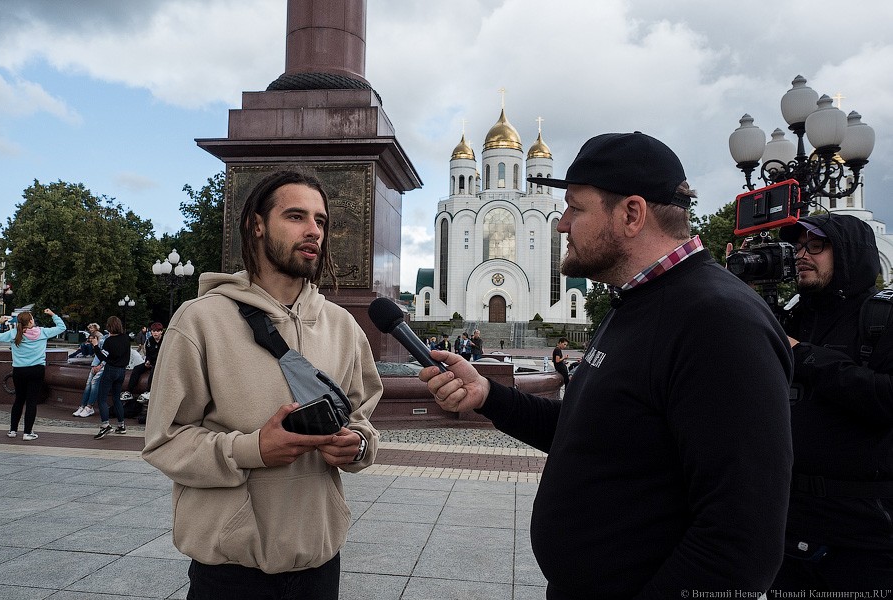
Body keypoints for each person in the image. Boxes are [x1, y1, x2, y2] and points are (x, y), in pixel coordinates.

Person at [418, 132, 794, 598]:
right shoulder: (636, 301)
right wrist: (489, 395)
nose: (561, 224)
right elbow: (592, 431)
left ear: (631, 214)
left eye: (575, 208)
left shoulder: (718, 320)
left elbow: (741, 543)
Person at [142, 170, 382, 600]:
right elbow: (164, 441)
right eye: (296, 216)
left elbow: (361, 419)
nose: (313, 231)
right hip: (231, 571)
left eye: (320, 220)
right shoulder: (200, 321)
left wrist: (358, 446)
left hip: (318, 565)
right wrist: (253, 449)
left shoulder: (343, 326)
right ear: (257, 225)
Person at [766, 214, 893, 590]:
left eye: (816, 245)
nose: (802, 255)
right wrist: (739, 291)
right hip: (788, 530)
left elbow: (887, 398)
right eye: (798, 246)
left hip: (863, 541)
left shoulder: (882, 318)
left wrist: (806, 356)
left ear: (850, 253)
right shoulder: (791, 318)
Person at [0, 309, 66, 441]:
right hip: (36, 370)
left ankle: (12, 430)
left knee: (19, 400)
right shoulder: (42, 332)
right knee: (31, 402)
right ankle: (27, 433)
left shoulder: (14, 333)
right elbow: (62, 327)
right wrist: (53, 315)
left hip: (19, 371)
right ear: (31, 321)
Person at [90, 316, 131, 439]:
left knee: (102, 398)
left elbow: (103, 357)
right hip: (122, 371)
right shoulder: (126, 338)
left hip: (110, 370)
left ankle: (105, 425)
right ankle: (121, 425)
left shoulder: (109, 341)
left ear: (109, 327)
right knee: (116, 398)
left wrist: (95, 346)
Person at [72, 333, 107, 417]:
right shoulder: (104, 338)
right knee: (88, 384)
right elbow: (98, 354)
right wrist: (94, 365)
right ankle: (82, 406)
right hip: (96, 364)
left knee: (94, 383)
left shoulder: (107, 340)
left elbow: (107, 355)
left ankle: (89, 407)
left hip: (103, 366)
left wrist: (100, 365)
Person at [126, 322, 163, 396]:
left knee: (153, 371)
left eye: (157, 331)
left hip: (160, 363)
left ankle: (149, 391)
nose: (155, 333)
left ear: (161, 332)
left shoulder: (164, 341)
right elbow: (148, 353)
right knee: (137, 369)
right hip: (151, 362)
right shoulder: (149, 340)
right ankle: (129, 391)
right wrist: (147, 361)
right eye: (153, 331)